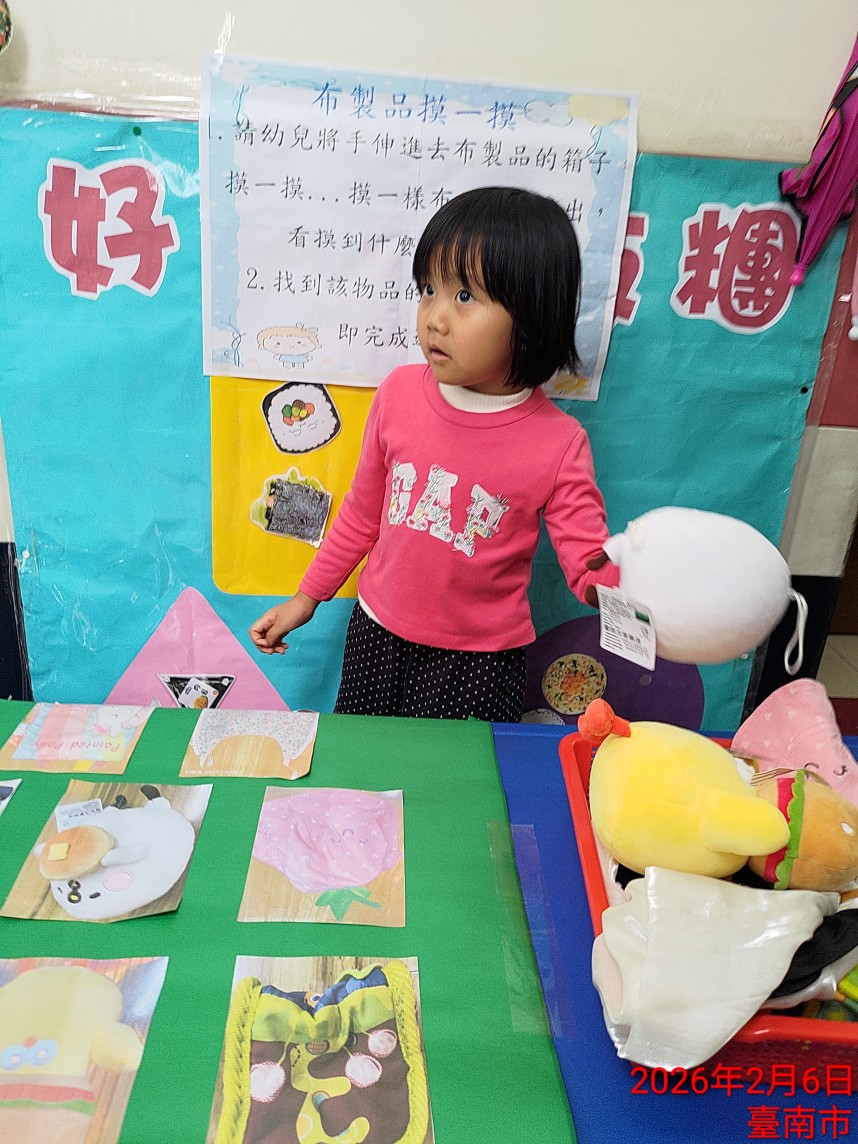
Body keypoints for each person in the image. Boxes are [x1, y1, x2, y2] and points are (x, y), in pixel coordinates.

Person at [250, 185, 619, 722]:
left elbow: (588, 564)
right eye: (428, 289)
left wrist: (628, 591)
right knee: (361, 762)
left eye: (464, 297)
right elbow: (361, 514)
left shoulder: (559, 444)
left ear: (532, 315)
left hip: (478, 666)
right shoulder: (398, 394)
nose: (434, 318)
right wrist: (306, 598)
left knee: (454, 776)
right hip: (377, 639)